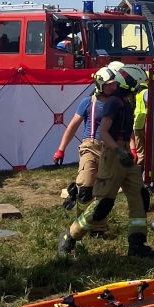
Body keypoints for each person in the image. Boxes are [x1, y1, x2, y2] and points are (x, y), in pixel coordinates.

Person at [58, 66, 154, 259]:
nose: (138, 88)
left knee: (139, 197)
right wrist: (118, 150)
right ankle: (71, 235)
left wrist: (129, 150)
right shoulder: (114, 103)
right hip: (113, 155)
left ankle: (137, 244)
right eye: (137, 84)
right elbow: (104, 133)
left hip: (123, 155)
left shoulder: (125, 102)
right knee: (103, 204)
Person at [54, 67, 116, 235]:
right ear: (101, 84)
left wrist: (131, 148)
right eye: (110, 84)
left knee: (102, 194)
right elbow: (73, 126)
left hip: (108, 150)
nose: (114, 87)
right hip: (89, 146)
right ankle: (81, 224)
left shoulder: (116, 103)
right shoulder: (88, 102)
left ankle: (98, 228)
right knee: (86, 189)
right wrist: (61, 150)